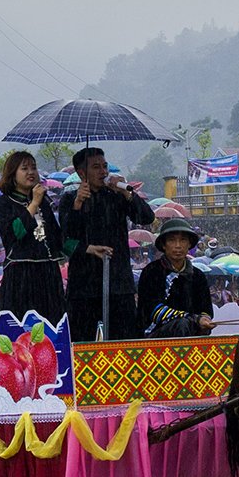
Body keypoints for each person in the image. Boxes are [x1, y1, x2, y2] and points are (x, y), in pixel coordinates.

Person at [61, 147, 152, 344]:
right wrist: (78, 204)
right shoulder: (69, 198)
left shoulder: (115, 196)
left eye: (105, 166)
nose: (103, 172)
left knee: (126, 343)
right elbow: (67, 241)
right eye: (96, 167)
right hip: (83, 285)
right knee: (80, 344)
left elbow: (146, 217)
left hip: (118, 281)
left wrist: (127, 193)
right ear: (81, 173)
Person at [0, 149, 71, 327]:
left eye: (33, 168)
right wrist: (34, 203)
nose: (31, 172)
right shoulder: (3, 203)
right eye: (24, 168)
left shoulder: (44, 202)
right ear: (12, 174)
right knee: (22, 329)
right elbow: (15, 233)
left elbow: (58, 239)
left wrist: (86, 249)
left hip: (48, 274)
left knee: (53, 328)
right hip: (22, 274)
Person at [135, 215, 214, 338]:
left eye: (183, 240)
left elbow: (206, 310)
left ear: (189, 245)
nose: (178, 246)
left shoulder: (198, 276)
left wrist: (204, 319)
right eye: (172, 240)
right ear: (164, 245)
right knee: (182, 324)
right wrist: (193, 319)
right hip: (155, 335)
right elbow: (154, 311)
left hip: (192, 333)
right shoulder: (151, 272)